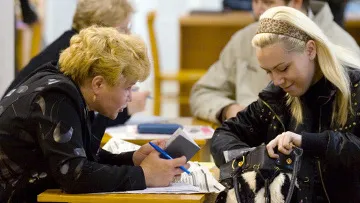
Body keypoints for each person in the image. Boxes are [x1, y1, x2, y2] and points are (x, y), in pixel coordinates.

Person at [0, 26, 189, 202]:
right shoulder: (56, 97)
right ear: (98, 84)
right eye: (128, 88)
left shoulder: (72, 89)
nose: (130, 97)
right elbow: (74, 175)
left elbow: (82, 157)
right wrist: (145, 175)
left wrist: (133, 159)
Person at [211, 6, 360, 202]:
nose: (277, 80)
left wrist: (306, 142)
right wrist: (254, 157)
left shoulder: (355, 88)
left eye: (283, 68)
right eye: (268, 71)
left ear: (310, 50)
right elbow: (224, 135)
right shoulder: (276, 97)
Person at [190, 0, 360, 124]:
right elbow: (202, 93)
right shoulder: (244, 39)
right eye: (254, 2)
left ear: (295, 3)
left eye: (267, 2)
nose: (258, 11)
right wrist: (228, 109)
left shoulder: (342, 48)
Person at [4, 0, 148, 129]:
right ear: (103, 30)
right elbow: (77, 123)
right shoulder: (76, 57)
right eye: (123, 29)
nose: (128, 36)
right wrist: (126, 110)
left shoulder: (70, 44)